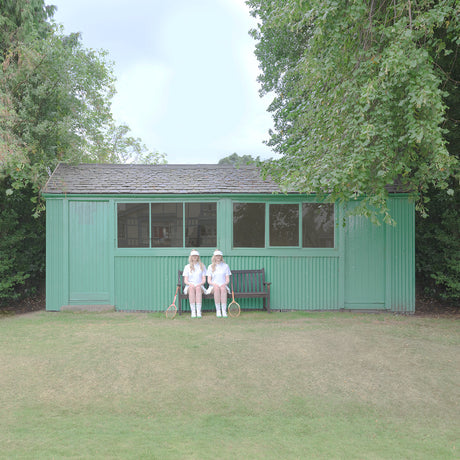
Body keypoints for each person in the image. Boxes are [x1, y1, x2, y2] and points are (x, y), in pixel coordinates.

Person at [207, 249, 231, 317]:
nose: (218, 257)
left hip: (223, 285)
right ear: (214, 257)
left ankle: (223, 310)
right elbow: (209, 281)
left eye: (219, 256)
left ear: (221, 257)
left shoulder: (225, 266)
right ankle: (218, 310)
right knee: (217, 288)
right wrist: (214, 284)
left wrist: (224, 284)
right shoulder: (210, 266)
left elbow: (227, 280)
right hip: (213, 287)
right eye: (216, 256)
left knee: (223, 288)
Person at [183, 249, 206, 318]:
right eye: (193, 256)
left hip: (199, 286)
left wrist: (200, 284)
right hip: (190, 286)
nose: (195, 257)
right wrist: (190, 284)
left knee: (198, 288)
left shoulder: (202, 266)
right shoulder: (187, 267)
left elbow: (204, 280)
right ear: (191, 257)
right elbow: (185, 280)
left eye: (196, 256)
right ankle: (193, 311)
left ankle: (198, 311)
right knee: (192, 288)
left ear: (198, 257)